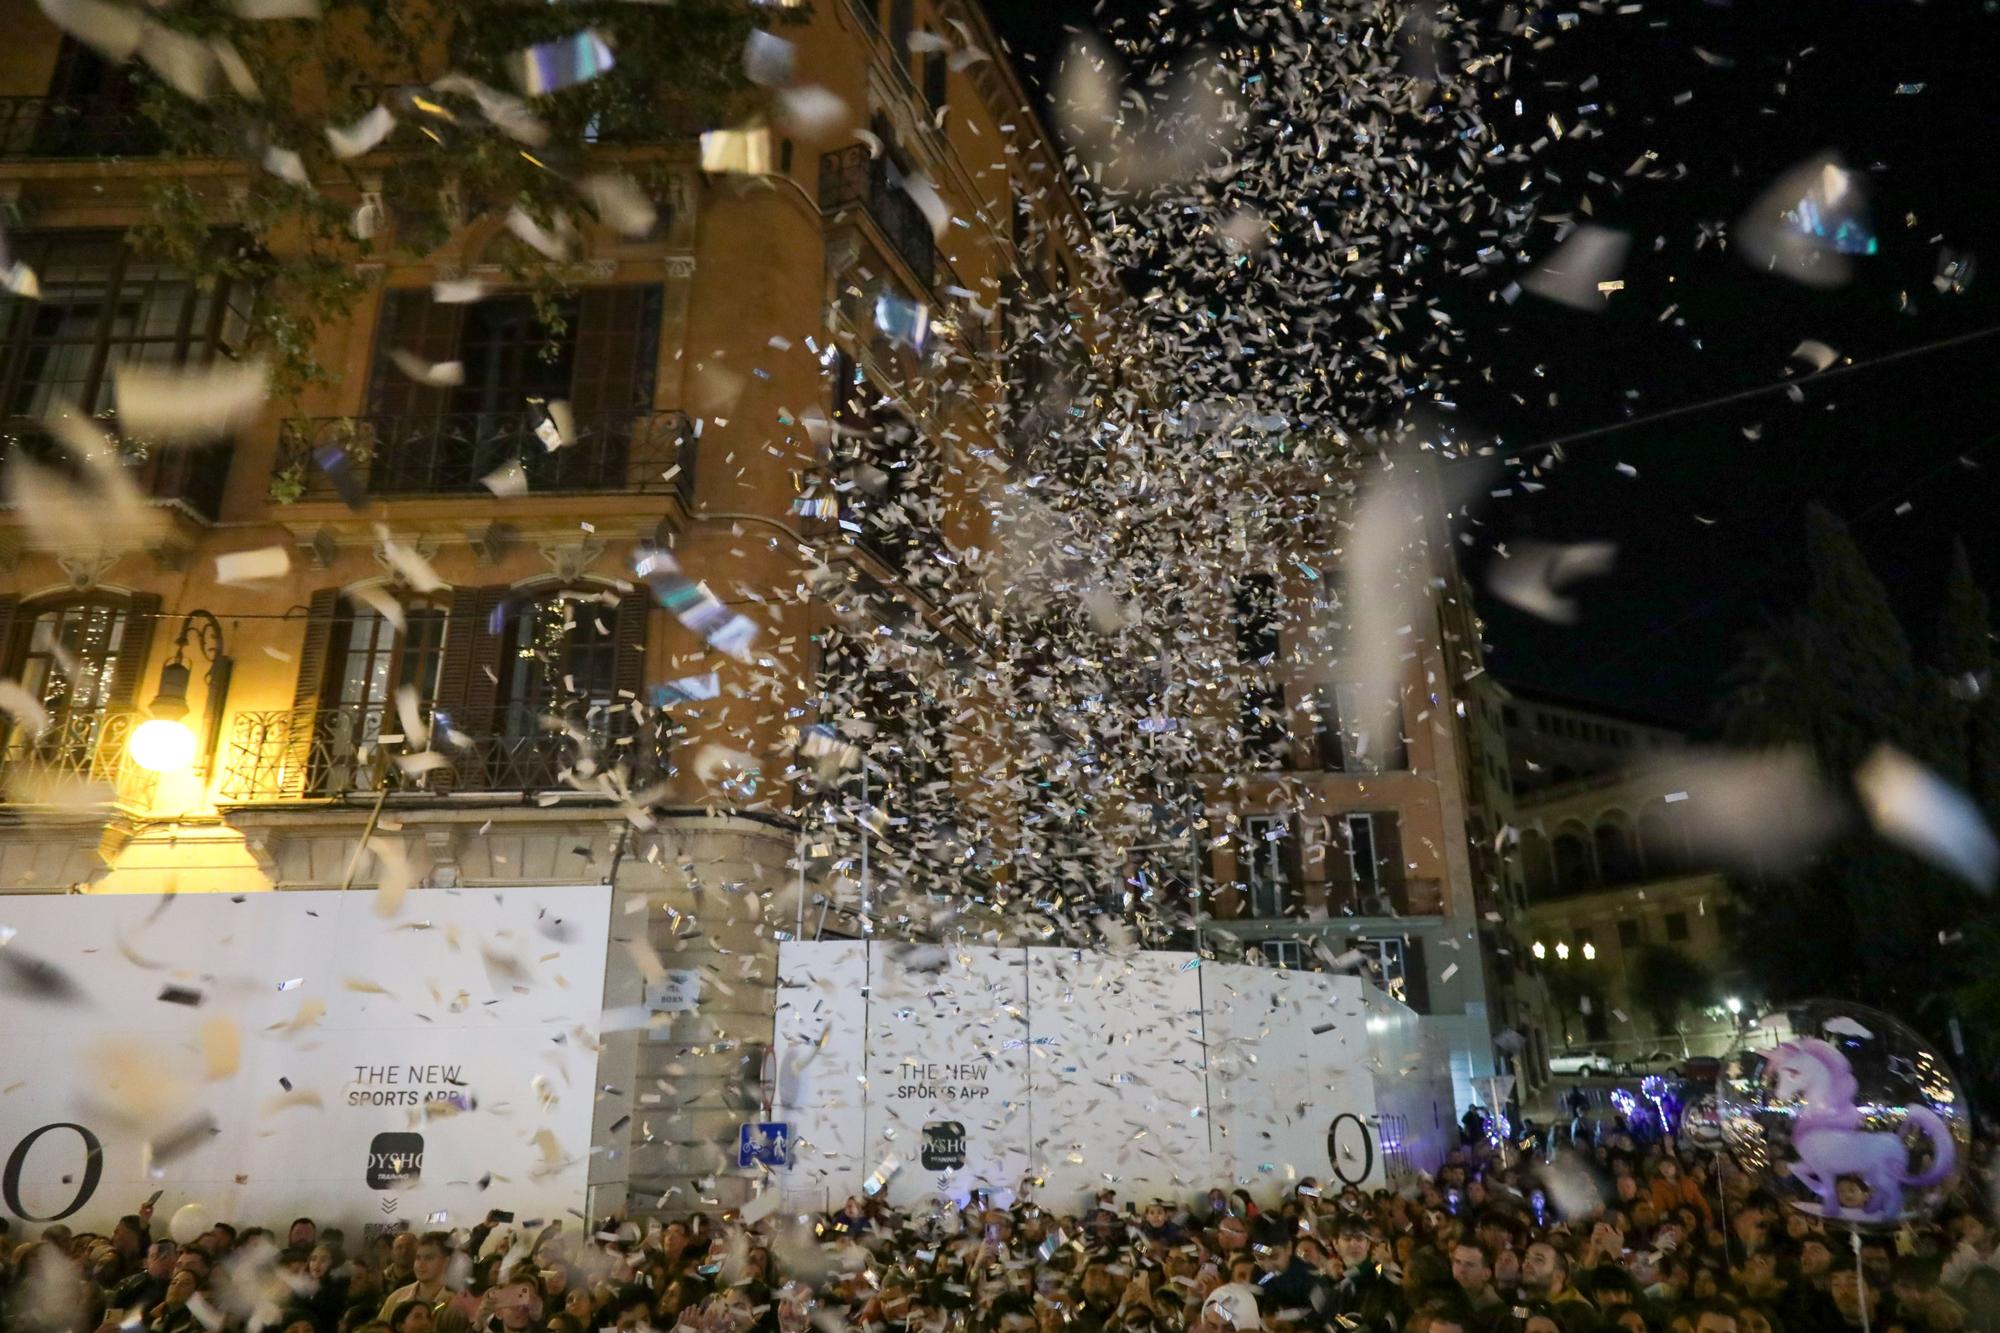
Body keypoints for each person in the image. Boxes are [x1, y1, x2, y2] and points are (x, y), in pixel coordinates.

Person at [380, 1232, 453, 1323]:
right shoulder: (397, 1298)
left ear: (446, 1261)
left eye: (429, 1258)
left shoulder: (456, 1301)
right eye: (418, 1258)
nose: (420, 1265)